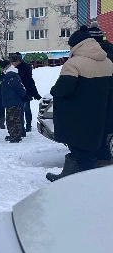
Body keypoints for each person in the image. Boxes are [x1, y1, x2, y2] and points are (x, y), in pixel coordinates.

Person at [46, 28, 113, 181]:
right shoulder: (108, 62)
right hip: (100, 115)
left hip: (76, 116)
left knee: (79, 149)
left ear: (76, 45)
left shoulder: (73, 64)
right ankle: (77, 176)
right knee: (91, 149)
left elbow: (63, 89)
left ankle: (78, 181)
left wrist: (53, 90)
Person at [88, 26, 113, 167]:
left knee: (100, 129)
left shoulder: (96, 55)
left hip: (101, 97)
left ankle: (102, 158)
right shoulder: (110, 50)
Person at [9, 53, 40, 133]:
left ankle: (26, 126)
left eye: (13, 62)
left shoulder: (22, 68)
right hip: (22, 91)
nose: (12, 63)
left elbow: (29, 81)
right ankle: (25, 126)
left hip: (24, 91)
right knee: (24, 109)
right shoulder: (18, 68)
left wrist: (34, 93)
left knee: (24, 109)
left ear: (17, 61)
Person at [0, 61, 27, 143]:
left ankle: (16, 136)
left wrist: (23, 95)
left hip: (13, 101)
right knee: (10, 119)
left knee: (12, 119)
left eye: (0, 68)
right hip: (10, 101)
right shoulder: (8, 75)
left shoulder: (10, 75)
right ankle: (13, 134)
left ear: (3, 67)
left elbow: (18, 87)